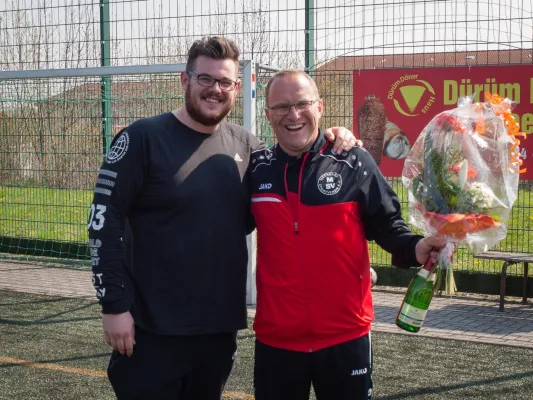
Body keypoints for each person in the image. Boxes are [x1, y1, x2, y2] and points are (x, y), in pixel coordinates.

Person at [87, 37, 358, 399]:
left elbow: (295, 190)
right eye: (205, 79)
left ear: (237, 88)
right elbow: (102, 225)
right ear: (185, 80)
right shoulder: (142, 139)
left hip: (217, 332)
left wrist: (333, 138)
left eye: (225, 82)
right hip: (151, 329)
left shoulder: (249, 147)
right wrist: (114, 306)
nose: (215, 90)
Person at [249, 69, 446, 400]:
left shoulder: (353, 160)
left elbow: (388, 225)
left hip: (345, 336)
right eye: (282, 106)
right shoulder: (256, 170)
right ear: (267, 114)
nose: (293, 115)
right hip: (276, 340)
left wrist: (416, 247)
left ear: (320, 107)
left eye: (302, 103)